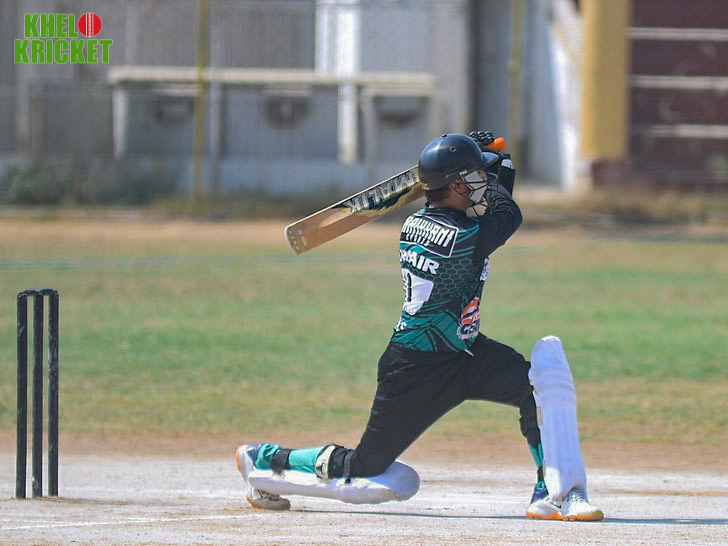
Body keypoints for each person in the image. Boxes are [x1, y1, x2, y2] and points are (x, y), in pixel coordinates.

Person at [236, 132, 604, 521]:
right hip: (416, 368)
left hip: (466, 354)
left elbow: (492, 211)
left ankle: (548, 489)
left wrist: (485, 165)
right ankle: (266, 459)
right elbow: (507, 215)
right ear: (457, 185)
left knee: (533, 389)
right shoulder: (461, 235)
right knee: (367, 465)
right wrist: (500, 168)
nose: (482, 181)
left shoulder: (421, 220)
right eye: (475, 176)